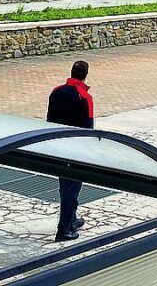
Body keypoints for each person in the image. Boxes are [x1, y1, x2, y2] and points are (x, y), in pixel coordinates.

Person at [47, 60, 94, 242]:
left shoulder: (56, 92)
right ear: (85, 75)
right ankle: (64, 229)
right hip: (75, 149)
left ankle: (72, 219)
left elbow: (49, 120)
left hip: (58, 145)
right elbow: (88, 128)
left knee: (65, 186)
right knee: (72, 188)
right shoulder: (84, 97)